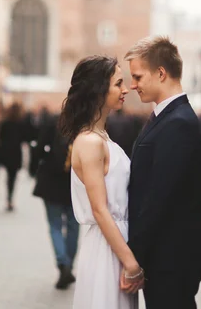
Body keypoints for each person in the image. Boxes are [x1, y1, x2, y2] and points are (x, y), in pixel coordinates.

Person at [124, 36, 201, 309]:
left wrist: (133, 257)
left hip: (171, 258)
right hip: (165, 256)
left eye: (137, 76)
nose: (132, 85)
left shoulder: (178, 122)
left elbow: (159, 198)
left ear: (161, 73)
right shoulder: (167, 117)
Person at [60, 56, 142, 309]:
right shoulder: (90, 142)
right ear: (98, 89)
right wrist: (129, 261)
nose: (126, 89)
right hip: (108, 247)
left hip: (115, 241)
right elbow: (99, 208)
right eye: (118, 84)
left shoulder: (101, 137)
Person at [32, 111, 79, 290]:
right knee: (74, 226)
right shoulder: (82, 126)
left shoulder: (53, 123)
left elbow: (38, 150)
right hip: (74, 184)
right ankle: (69, 264)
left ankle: (63, 264)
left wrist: (36, 167)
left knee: (55, 225)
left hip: (51, 183)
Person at [0, 102, 26, 211]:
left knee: (9, 175)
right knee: (13, 177)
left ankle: (9, 197)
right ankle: (10, 197)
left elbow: (0, 136)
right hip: (16, 153)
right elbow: (24, 137)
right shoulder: (21, 123)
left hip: (6, 152)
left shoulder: (5, 123)